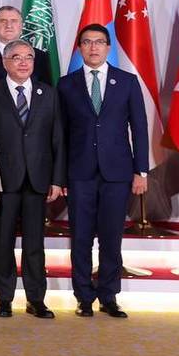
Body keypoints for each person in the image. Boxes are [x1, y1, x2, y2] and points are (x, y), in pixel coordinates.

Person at [59, 24, 148, 319]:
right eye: (87, 42)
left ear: (108, 47)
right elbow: (60, 134)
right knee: (81, 238)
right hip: (79, 173)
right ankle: (83, 297)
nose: (93, 47)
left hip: (117, 173)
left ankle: (109, 296)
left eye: (99, 42)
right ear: (80, 48)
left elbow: (140, 127)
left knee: (111, 237)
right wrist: (60, 177)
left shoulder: (127, 81)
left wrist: (141, 171)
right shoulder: (66, 84)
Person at [0, 39, 66, 319]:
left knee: (34, 243)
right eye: (17, 57)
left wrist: (57, 179)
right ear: (5, 62)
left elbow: (58, 139)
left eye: (29, 57)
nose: (24, 62)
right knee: (2, 242)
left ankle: (36, 299)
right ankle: (4, 299)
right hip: (3, 182)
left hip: (38, 180)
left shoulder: (48, 93)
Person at [0, 5, 53, 93]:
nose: (9, 25)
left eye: (14, 21)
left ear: (21, 25)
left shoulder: (40, 56)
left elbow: (47, 93)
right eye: (3, 21)